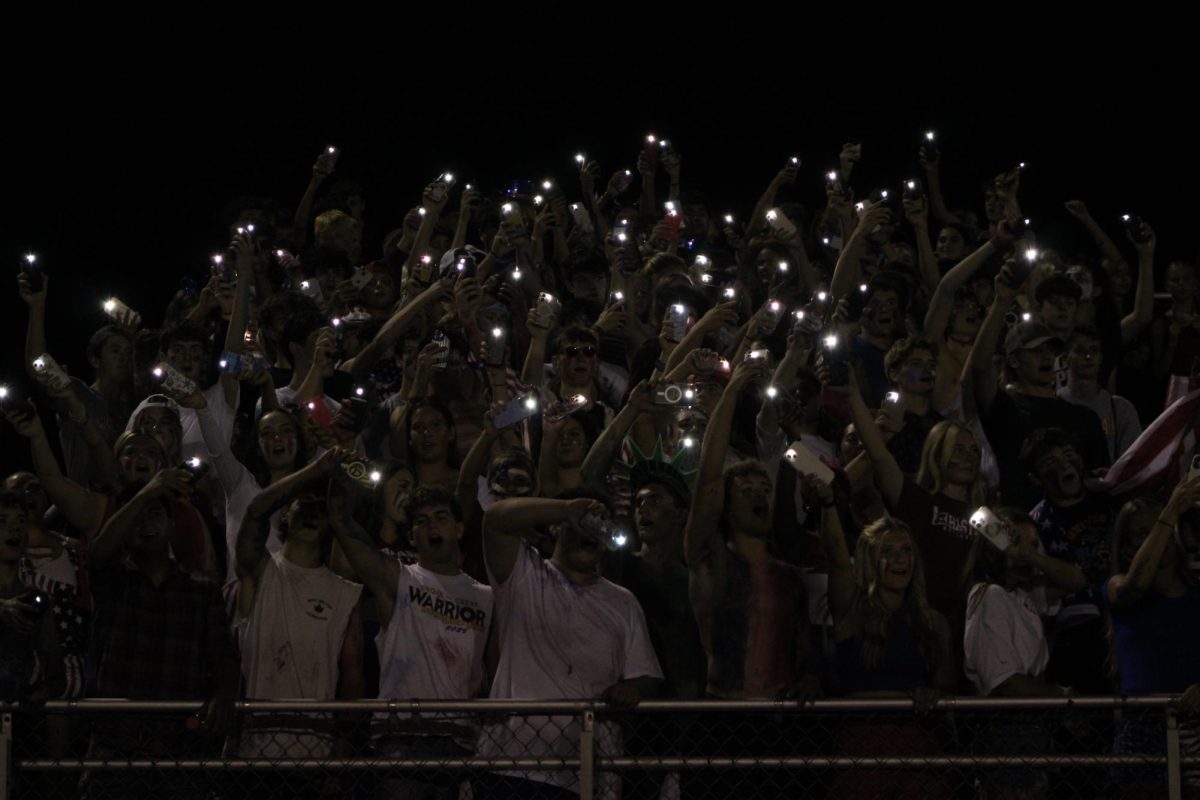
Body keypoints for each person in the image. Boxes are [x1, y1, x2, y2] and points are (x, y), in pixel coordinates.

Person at [478, 492, 662, 799]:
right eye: (584, 523)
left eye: (599, 525)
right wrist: (565, 509)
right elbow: (495, 520)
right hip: (512, 762)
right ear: (557, 527)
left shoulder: (623, 602)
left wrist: (633, 690)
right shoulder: (525, 574)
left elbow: (647, 674)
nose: (589, 532)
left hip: (586, 769)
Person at [83, 470, 238, 800]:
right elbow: (98, 554)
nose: (146, 523)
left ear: (171, 526)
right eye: (137, 516)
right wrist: (146, 492)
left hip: (178, 746)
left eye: (155, 514)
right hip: (117, 743)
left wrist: (224, 693)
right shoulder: (115, 582)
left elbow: (223, 656)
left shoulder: (201, 592)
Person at [234, 449, 364, 774]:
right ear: (286, 517)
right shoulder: (261, 570)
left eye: (319, 511)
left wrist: (341, 751)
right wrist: (314, 470)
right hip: (255, 751)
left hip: (313, 754)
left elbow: (352, 678)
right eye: (303, 507)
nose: (311, 514)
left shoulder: (345, 593)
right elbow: (253, 514)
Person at [820, 509, 954, 799]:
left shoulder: (933, 622)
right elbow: (836, 558)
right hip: (861, 747)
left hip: (916, 746)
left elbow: (946, 681)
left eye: (906, 550)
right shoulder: (851, 612)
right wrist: (828, 504)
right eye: (888, 551)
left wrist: (933, 693)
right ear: (870, 560)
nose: (900, 559)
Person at [964, 507, 1087, 800]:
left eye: (1034, 543)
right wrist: (1060, 695)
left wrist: (1029, 555)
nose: (1026, 550)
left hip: (1031, 725)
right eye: (1017, 542)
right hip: (1005, 728)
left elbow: (1076, 581)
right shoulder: (990, 595)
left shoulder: (1023, 593)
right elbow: (1005, 682)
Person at [968, 265, 1109, 510]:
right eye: (1035, 351)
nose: (1046, 357)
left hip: (1075, 533)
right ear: (1013, 360)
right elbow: (979, 368)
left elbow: (1100, 483)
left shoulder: (1084, 418)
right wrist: (1001, 301)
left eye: (1050, 351)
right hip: (1024, 527)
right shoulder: (1004, 407)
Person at [1106, 478, 1200, 796]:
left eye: (1159, 529)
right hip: (1144, 728)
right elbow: (1133, 586)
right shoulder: (1118, 588)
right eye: (1141, 534)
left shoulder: (1196, 595)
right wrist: (1170, 510)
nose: (1155, 538)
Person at [1057, 327, 1142, 462]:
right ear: (1066, 358)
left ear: (1101, 358)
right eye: (1080, 350)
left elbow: (1131, 462)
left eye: (1094, 350)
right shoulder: (1055, 404)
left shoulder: (1121, 409)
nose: (1088, 356)